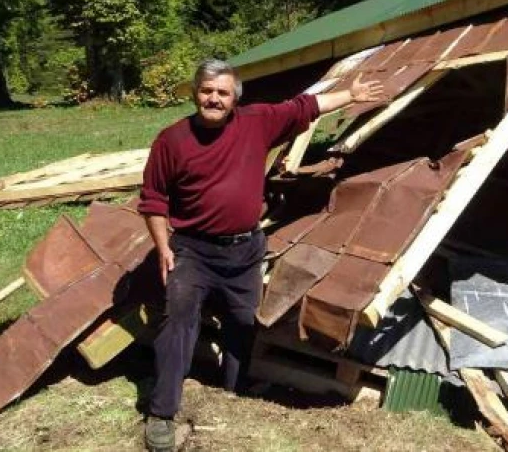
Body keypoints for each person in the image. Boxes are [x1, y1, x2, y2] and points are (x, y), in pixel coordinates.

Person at [138, 59, 382, 451]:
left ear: (235, 97)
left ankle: (234, 390)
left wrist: (350, 95)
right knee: (179, 320)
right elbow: (152, 200)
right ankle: (162, 413)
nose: (213, 99)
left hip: (244, 250)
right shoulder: (172, 140)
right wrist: (163, 248)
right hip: (192, 250)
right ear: (194, 93)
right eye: (206, 91)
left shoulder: (257, 121)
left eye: (222, 92)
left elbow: (305, 106)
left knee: (241, 321)